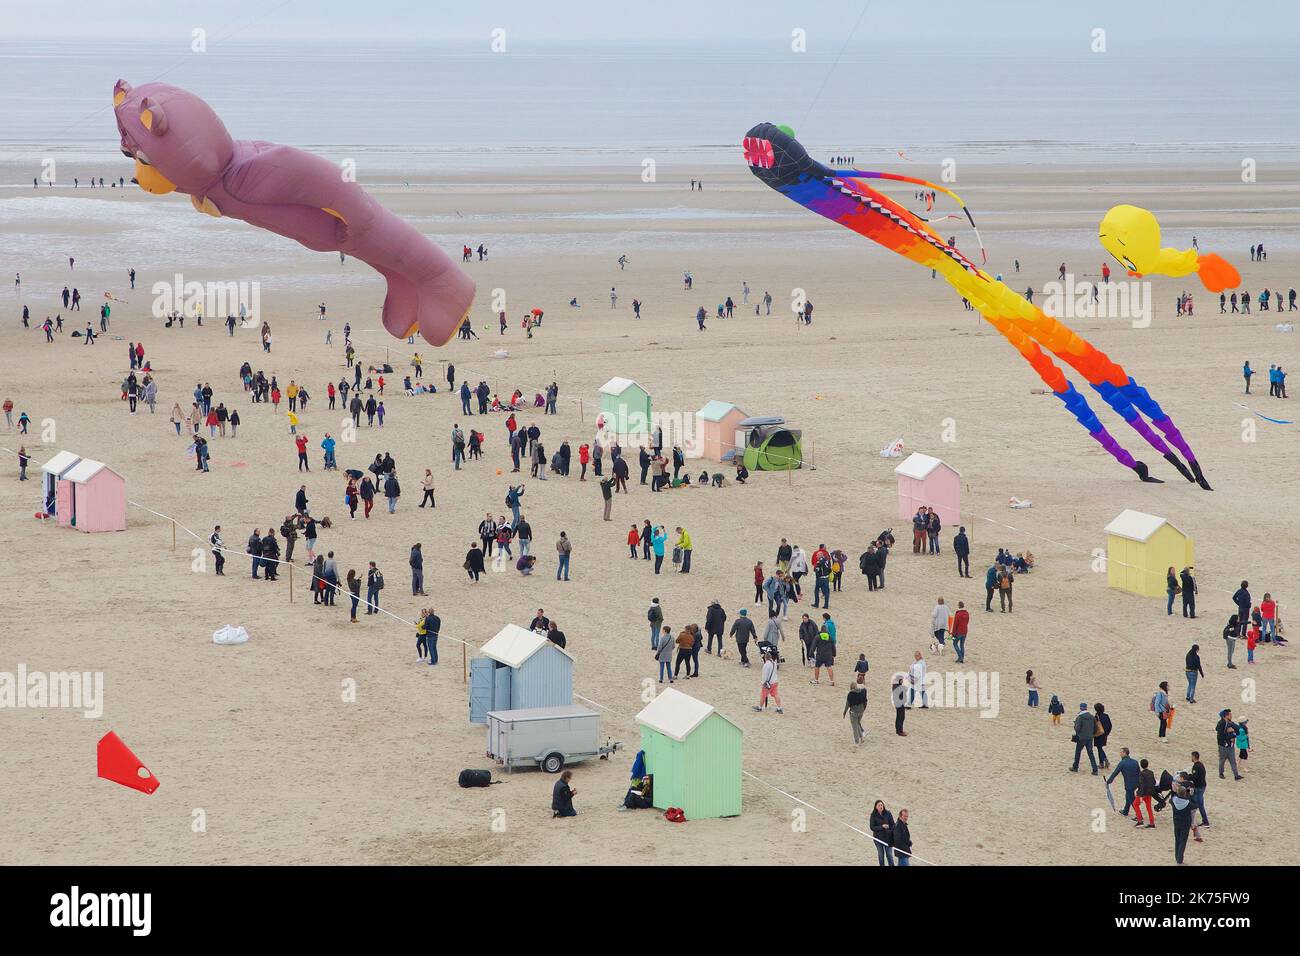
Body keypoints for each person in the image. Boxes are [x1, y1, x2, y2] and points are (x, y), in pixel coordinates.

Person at [1106, 747, 1141, 818]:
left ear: (1125, 753)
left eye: (1121, 752)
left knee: (1132, 799)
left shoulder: (1122, 763)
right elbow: (1139, 772)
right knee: (1128, 796)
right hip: (1137, 783)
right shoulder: (1135, 761)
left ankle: (1139, 816)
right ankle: (1125, 811)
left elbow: (1115, 773)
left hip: (1129, 784)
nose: (1120, 753)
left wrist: (1108, 781)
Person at [1170, 772, 1195, 863]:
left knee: (1177, 839)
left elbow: (1171, 799)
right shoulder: (1188, 803)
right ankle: (1179, 859)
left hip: (1176, 822)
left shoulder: (1173, 801)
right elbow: (1195, 805)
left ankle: (1177, 857)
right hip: (1185, 823)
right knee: (1183, 840)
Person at [1070, 702, 1099, 774]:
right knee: (1090, 753)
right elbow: (1095, 728)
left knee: (1078, 752)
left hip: (1081, 737)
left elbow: (1077, 728)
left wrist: (1075, 726)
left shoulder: (1079, 717)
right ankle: (1095, 769)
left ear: (1080, 708)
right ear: (1086, 708)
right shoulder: (1092, 717)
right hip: (1090, 737)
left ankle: (1075, 767)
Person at [752, 648, 783, 713]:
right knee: (776, 695)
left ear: (765, 658)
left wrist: (763, 683)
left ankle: (760, 707)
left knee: (763, 695)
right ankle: (779, 708)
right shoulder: (774, 663)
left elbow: (765, 675)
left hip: (769, 683)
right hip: (775, 681)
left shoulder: (766, 665)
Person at [1215, 710, 1243, 780]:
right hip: (1223, 746)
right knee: (1222, 760)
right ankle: (1221, 773)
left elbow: (1238, 729)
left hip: (1230, 745)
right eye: (1230, 715)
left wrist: (1232, 731)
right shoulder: (1221, 724)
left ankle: (1236, 775)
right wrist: (1231, 735)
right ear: (1226, 716)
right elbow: (1220, 737)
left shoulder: (1230, 723)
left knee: (1233, 761)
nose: (1231, 716)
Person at [869, 801, 895, 866]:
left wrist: (889, 827)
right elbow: (872, 827)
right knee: (881, 856)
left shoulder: (888, 813)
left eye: (882, 805)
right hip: (878, 839)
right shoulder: (873, 815)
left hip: (888, 838)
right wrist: (882, 826)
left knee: (889, 856)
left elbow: (893, 825)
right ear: (876, 807)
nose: (881, 806)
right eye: (879, 805)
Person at [1134, 759, 1157, 829]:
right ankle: (1152, 823)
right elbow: (1154, 782)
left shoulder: (1141, 773)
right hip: (1149, 793)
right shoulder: (1151, 772)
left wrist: (1140, 795)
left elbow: (1142, 785)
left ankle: (1140, 820)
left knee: (1135, 804)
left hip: (1143, 793)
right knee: (1149, 807)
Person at [844, 682, 867, 747]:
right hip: (861, 711)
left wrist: (844, 713)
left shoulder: (850, 694)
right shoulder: (861, 692)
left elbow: (847, 705)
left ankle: (856, 742)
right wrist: (863, 709)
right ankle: (862, 738)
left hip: (854, 712)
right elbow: (865, 701)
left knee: (855, 728)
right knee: (857, 724)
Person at [1093, 702, 1112, 768]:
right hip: (1104, 735)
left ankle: (1104, 761)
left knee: (1099, 749)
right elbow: (1110, 725)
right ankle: (1102, 763)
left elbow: (1094, 726)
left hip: (1098, 735)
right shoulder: (1106, 715)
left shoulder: (1096, 716)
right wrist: (1107, 733)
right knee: (1100, 748)